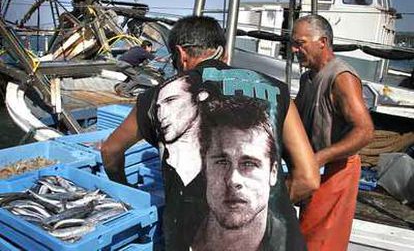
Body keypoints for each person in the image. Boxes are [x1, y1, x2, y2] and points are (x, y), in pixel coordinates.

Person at [101, 15, 319, 250]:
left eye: (248, 164)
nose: (234, 181)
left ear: (181, 54)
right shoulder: (278, 90)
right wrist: (263, 200)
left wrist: (123, 188)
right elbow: (308, 178)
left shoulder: (158, 96)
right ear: (223, 53)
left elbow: (110, 150)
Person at [292, 14, 374, 251]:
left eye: (301, 44)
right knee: (304, 233)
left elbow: (365, 131)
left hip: (337, 170)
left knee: (322, 241)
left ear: (322, 42)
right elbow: (294, 116)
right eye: (293, 45)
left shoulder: (342, 78)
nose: (295, 50)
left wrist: (320, 158)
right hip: (314, 168)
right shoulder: (308, 77)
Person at [192, 95, 285, 251]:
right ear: (204, 167)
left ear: (273, 172)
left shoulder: (288, 243)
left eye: (249, 164)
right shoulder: (181, 234)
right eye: (222, 162)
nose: (233, 180)